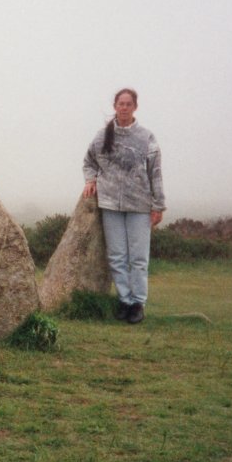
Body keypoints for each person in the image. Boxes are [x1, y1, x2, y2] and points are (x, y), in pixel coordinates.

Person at [82, 88, 166, 324]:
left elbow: (155, 172)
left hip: (139, 205)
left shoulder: (146, 137)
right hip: (110, 205)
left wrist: (158, 205)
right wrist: (90, 180)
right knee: (117, 256)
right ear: (115, 106)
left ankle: (138, 303)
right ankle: (124, 300)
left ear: (135, 107)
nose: (124, 108)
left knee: (138, 258)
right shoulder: (102, 136)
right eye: (121, 103)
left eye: (129, 104)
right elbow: (89, 161)